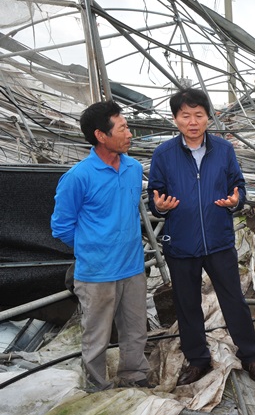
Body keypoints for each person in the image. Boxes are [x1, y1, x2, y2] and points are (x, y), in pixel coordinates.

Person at [147, 88, 255, 386]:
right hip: (181, 241)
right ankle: (198, 359)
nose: (192, 121)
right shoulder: (164, 154)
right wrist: (158, 206)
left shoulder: (223, 150)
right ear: (175, 119)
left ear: (208, 118)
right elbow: (155, 196)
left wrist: (235, 201)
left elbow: (237, 186)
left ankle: (251, 355)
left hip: (218, 239)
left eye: (198, 115)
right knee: (187, 304)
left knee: (233, 300)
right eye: (185, 115)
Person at [51, 100, 151, 391]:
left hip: (132, 266)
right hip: (97, 273)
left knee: (135, 329)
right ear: (101, 136)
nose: (129, 133)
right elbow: (61, 227)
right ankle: (97, 388)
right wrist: (92, 247)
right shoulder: (78, 177)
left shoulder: (132, 168)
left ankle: (134, 376)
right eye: (123, 128)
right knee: (96, 336)